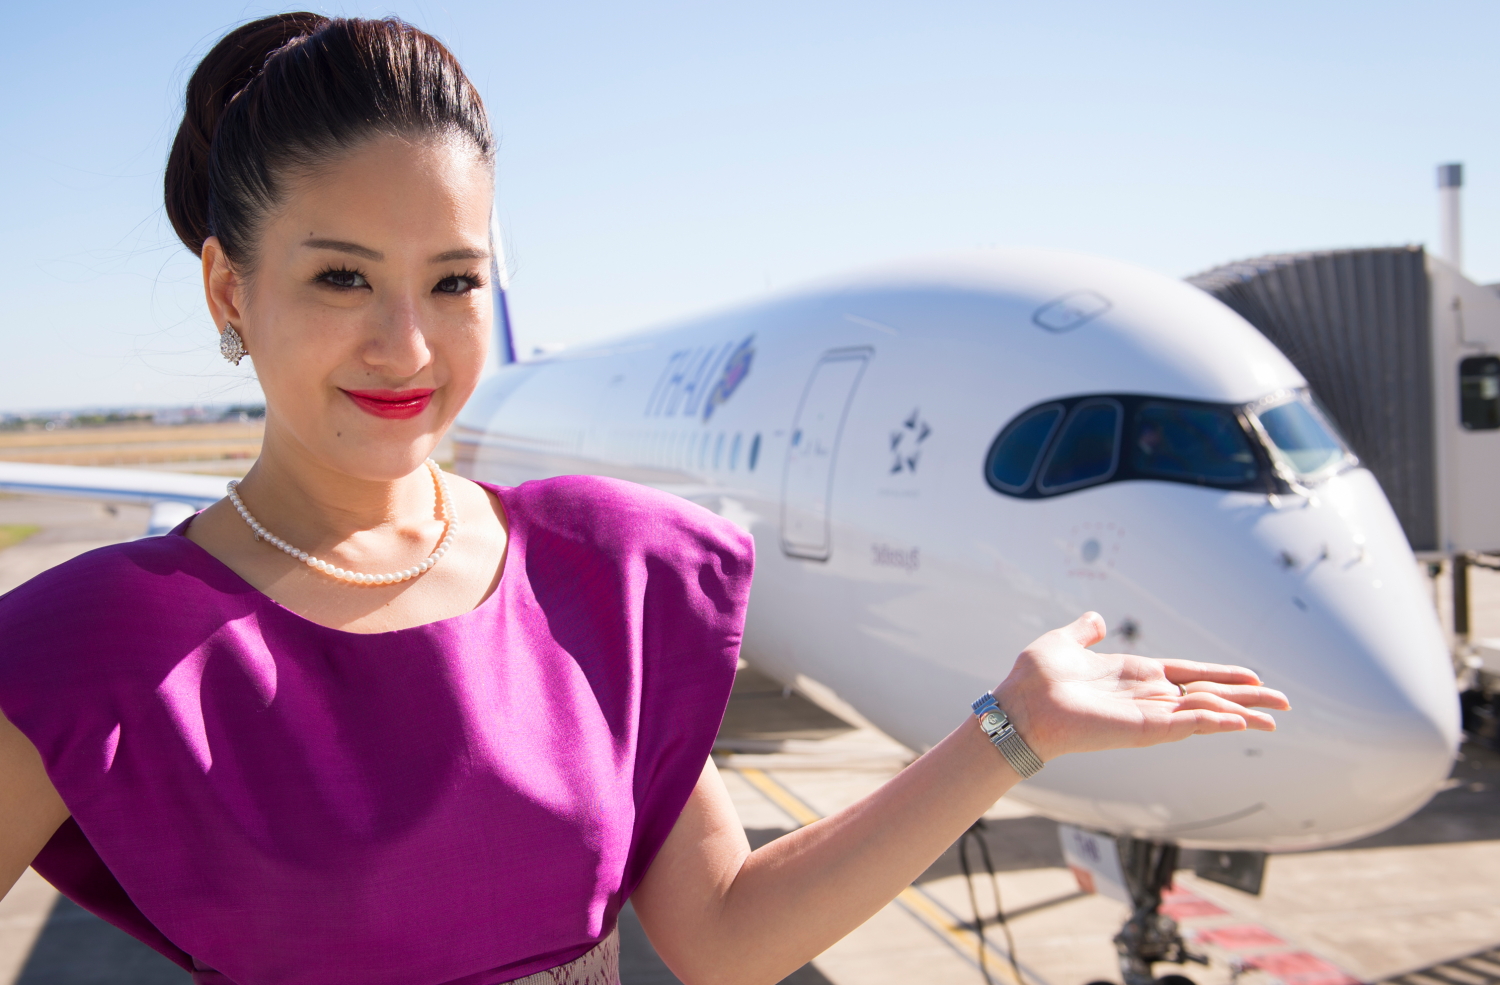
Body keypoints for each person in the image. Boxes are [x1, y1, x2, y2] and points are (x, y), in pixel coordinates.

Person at [0, 14, 1289, 985]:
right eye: (342, 278)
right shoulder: (85, 650)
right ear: (231, 290)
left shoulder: (600, 574)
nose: (408, 347)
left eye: (452, 282)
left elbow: (722, 935)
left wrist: (1012, 731)